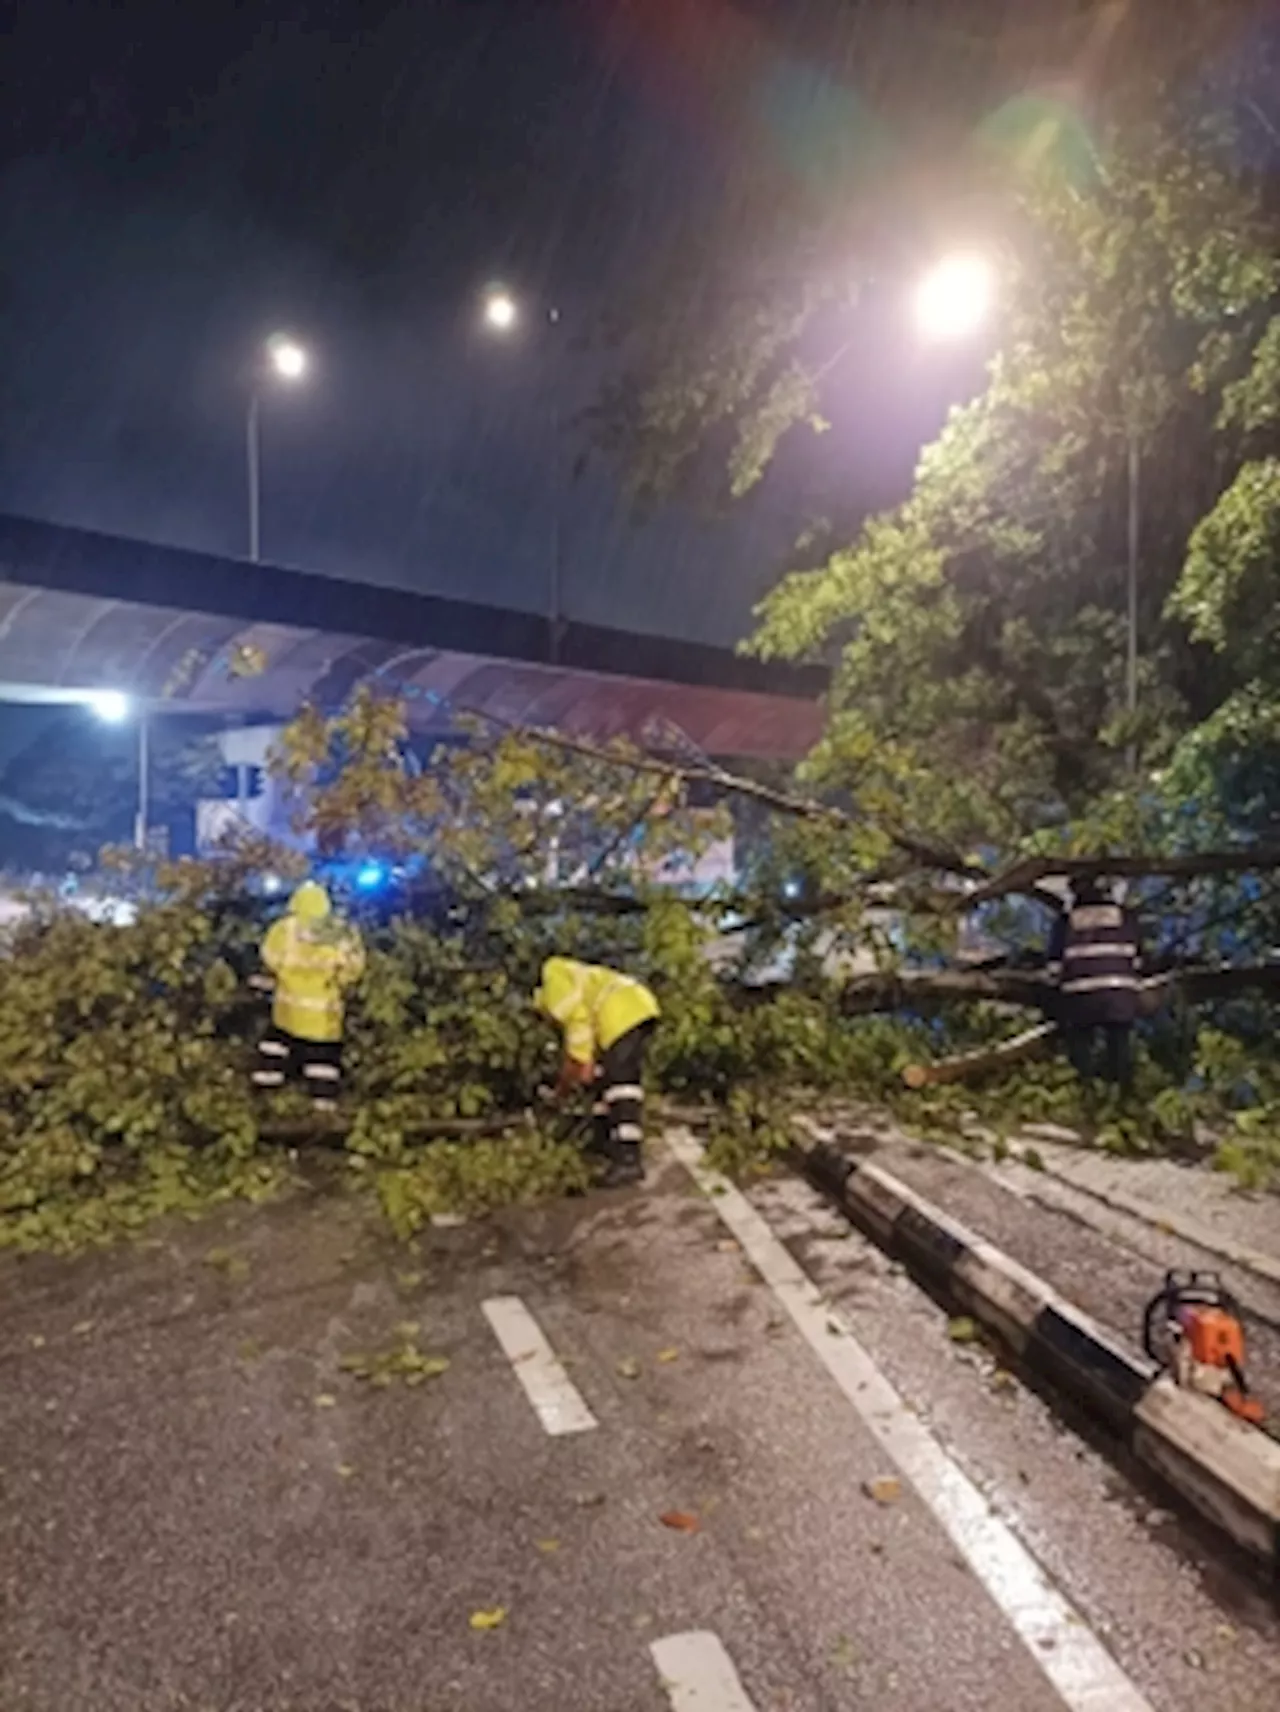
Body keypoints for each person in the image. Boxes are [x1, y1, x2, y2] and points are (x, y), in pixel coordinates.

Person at [534, 956, 660, 1186]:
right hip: (637, 1005)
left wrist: (570, 1076)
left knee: (621, 1084)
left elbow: (577, 1023)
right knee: (604, 1079)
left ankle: (628, 1160)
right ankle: (605, 1142)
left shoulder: (552, 987)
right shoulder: (566, 972)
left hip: (621, 1012)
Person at [252, 880, 365, 1113]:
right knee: (322, 1064)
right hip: (324, 1018)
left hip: (288, 1013)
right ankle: (323, 1112)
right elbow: (353, 970)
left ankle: (265, 1105)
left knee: (273, 1051)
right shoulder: (341, 932)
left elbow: (269, 957)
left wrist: (284, 977)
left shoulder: (284, 929)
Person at [1047, 874, 1141, 1092]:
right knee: (1119, 1044)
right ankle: (1122, 1094)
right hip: (1120, 995)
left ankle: (1085, 1089)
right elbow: (1137, 961)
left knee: (1080, 1041)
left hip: (1081, 997)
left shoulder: (1067, 921)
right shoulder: (1126, 917)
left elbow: (1054, 969)